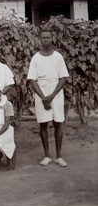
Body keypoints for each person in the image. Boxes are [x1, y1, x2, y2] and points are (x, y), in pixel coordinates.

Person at [27, 29, 69, 167]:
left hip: (55, 92)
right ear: (40, 40)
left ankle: (59, 156)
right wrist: (44, 98)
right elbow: (32, 80)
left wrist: (51, 97)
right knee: (43, 124)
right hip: (41, 92)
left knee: (58, 123)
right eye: (43, 37)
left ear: (52, 39)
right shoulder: (36, 58)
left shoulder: (58, 56)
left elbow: (63, 78)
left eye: (48, 37)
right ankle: (47, 156)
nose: (46, 39)